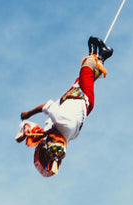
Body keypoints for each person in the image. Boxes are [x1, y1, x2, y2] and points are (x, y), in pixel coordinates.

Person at [15, 36, 113, 176]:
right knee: (86, 70)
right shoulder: (63, 125)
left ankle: (103, 55)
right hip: (83, 97)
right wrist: (28, 114)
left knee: (87, 76)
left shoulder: (52, 132)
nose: (48, 139)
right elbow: (46, 106)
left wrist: (25, 129)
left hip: (71, 101)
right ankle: (94, 53)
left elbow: (36, 132)